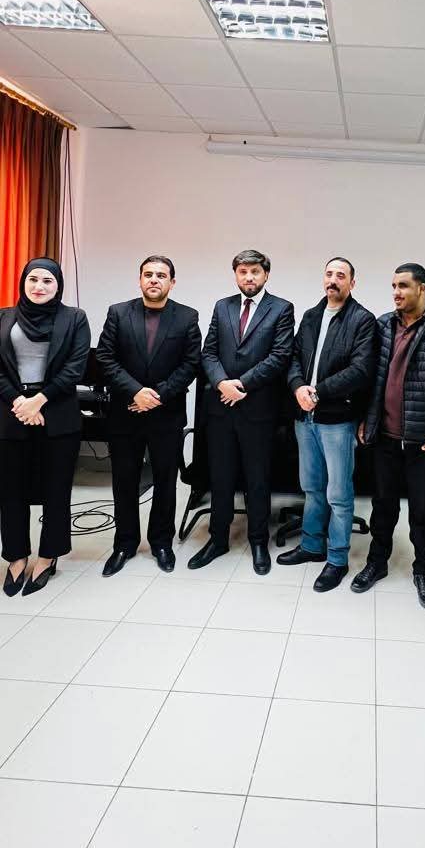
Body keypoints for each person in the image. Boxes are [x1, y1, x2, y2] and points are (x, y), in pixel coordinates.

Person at [351, 263, 425, 609]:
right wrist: (366, 420)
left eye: (403, 286)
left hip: (423, 441)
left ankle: (422, 569)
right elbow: (371, 379)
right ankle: (377, 562)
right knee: (382, 505)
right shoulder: (383, 324)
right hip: (385, 436)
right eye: (393, 286)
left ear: (422, 289)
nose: (396, 292)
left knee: (421, 511)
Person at [96, 255, 201, 576]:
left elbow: (190, 364)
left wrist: (156, 396)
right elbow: (105, 358)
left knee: (166, 482)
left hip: (166, 414)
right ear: (140, 279)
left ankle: (161, 543)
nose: (154, 279)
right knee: (124, 481)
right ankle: (124, 544)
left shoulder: (187, 317)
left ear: (172, 282)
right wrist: (136, 392)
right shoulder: (118, 313)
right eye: (148, 274)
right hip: (125, 413)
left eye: (161, 275)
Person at [193, 249, 294, 574]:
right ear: (235, 275)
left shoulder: (281, 308)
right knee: (220, 477)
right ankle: (217, 540)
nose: (248, 277)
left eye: (255, 272)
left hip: (258, 410)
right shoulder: (222, 306)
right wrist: (222, 383)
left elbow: (280, 356)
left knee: (257, 479)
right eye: (242, 272)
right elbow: (208, 353)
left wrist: (242, 384)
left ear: (266, 274)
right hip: (221, 409)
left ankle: (258, 541)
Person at [278, 257, 376, 591]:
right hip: (304, 417)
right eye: (329, 273)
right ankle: (311, 546)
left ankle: (337, 559)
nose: (333, 279)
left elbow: (360, 370)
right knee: (311, 487)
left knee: (339, 494)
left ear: (352, 282)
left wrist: (317, 391)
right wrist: (297, 387)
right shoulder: (311, 316)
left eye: (341, 275)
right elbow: (293, 358)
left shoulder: (362, 320)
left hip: (337, 420)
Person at [0, 258, 90, 596]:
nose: (39, 286)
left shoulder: (75, 318)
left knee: (56, 490)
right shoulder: (3, 317)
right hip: (11, 412)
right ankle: (16, 556)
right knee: (11, 490)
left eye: (47, 281)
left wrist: (39, 400)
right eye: (33, 279)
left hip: (58, 412)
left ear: (58, 285)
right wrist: (20, 402)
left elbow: (76, 367)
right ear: (23, 282)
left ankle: (48, 555)